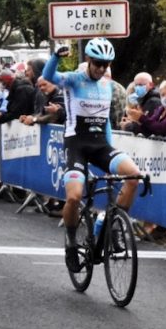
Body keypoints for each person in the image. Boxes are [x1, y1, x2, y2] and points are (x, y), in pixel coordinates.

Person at [42, 38, 142, 273]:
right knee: (75, 197)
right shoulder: (75, 80)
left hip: (99, 145)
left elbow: (105, 120)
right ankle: (70, 242)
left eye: (106, 65)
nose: (101, 68)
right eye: (98, 63)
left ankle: (110, 228)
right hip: (76, 144)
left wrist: (110, 155)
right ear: (88, 59)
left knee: (134, 176)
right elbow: (49, 76)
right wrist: (56, 56)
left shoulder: (107, 86)